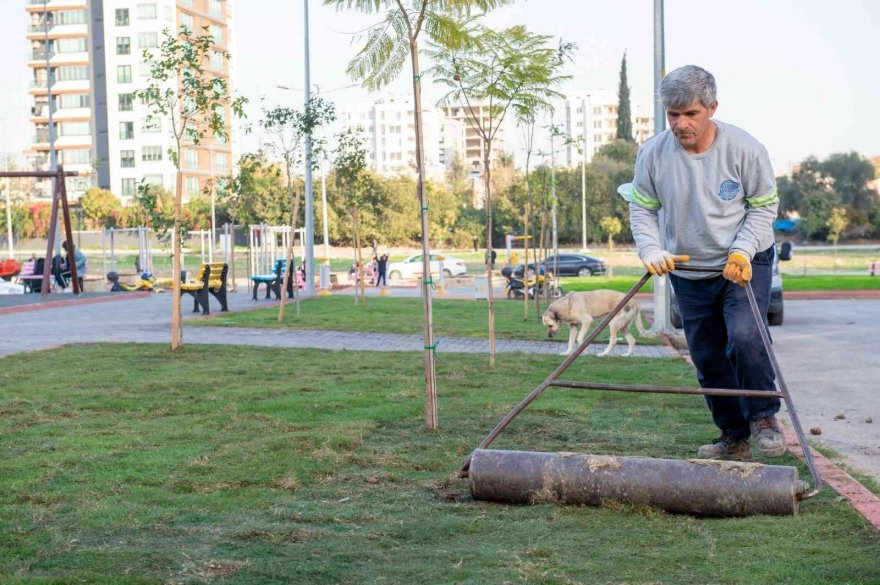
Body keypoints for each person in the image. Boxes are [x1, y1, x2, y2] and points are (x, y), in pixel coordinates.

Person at [622, 65, 783, 461]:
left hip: (744, 263)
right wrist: (651, 250)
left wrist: (742, 250)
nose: (680, 124)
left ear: (712, 108)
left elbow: (763, 208)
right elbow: (641, 209)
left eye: (690, 114)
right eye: (672, 114)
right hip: (689, 269)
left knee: (745, 337)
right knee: (707, 355)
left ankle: (764, 419)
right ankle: (734, 435)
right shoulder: (653, 154)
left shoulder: (745, 149)